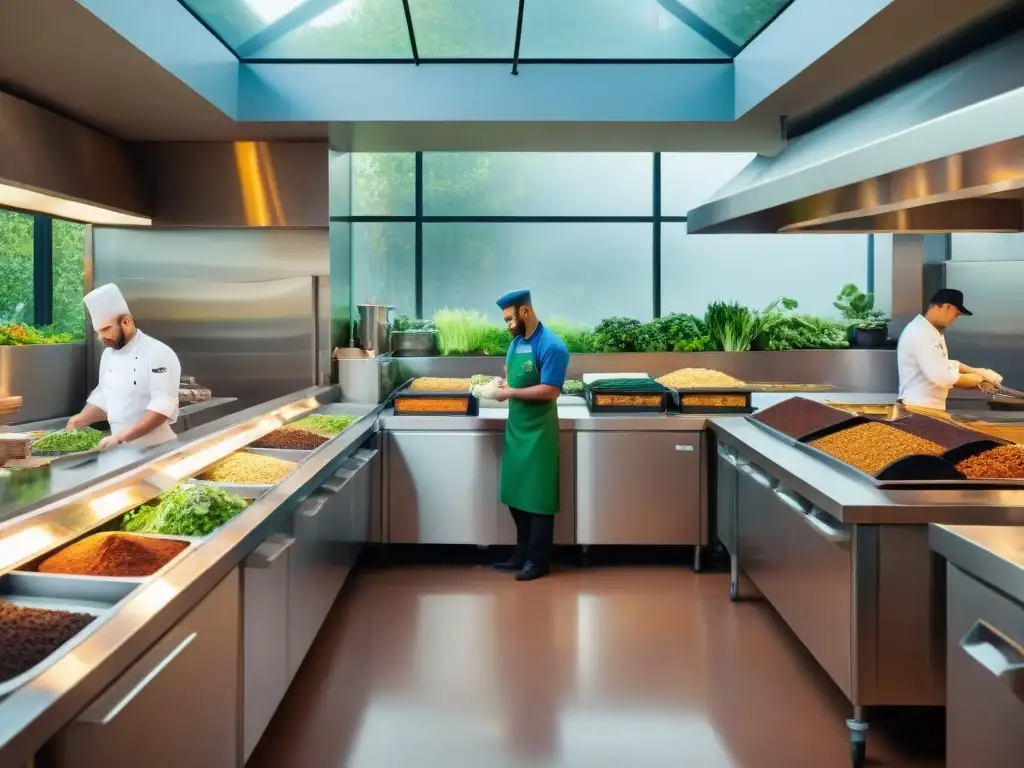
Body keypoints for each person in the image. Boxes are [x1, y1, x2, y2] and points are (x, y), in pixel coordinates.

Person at [492, 290, 569, 582]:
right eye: (506, 320)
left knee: (538, 499)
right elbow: (513, 375)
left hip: (539, 432)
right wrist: (502, 383)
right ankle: (520, 555)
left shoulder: (552, 346)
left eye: (510, 318)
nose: (508, 325)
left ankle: (538, 562)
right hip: (517, 428)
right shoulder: (516, 343)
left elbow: (550, 389)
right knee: (515, 494)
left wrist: (510, 392)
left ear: (526, 311)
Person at [67, 284, 181, 450]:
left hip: (157, 449)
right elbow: (105, 397)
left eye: (106, 329)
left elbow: (162, 405)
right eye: (98, 331)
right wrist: (80, 419)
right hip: (121, 449)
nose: (101, 337)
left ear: (126, 322)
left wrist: (122, 436)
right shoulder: (109, 354)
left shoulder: (158, 353)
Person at [897, 288, 1002, 412]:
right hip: (918, 409)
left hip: (926, 408)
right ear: (947, 307)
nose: (954, 319)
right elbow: (941, 376)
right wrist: (978, 380)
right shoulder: (921, 333)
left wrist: (977, 372)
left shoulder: (931, 331)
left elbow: (940, 364)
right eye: (956, 314)